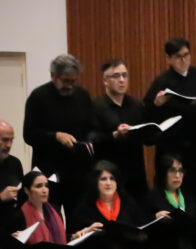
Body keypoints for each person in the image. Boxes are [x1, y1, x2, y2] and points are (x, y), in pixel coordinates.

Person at [143, 37, 196, 206]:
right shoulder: (161, 82)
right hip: (169, 146)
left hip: (193, 145)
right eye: (178, 56)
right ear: (169, 59)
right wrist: (157, 105)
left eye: (186, 55)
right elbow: (147, 115)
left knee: (192, 188)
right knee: (168, 191)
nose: (183, 60)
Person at [23, 54, 95, 212]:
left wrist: (90, 141)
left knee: (78, 221)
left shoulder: (82, 95)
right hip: (48, 172)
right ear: (53, 76)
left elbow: (90, 127)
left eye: (73, 81)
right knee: (51, 220)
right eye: (65, 81)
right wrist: (55, 136)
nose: (70, 86)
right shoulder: (38, 97)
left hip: (77, 172)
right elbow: (29, 134)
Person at [89, 59, 150, 201]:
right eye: (116, 76)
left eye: (125, 75)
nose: (122, 80)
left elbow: (147, 137)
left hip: (135, 173)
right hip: (108, 174)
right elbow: (90, 137)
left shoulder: (137, 105)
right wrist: (113, 135)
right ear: (105, 81)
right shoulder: (95, 106)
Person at [0, 119, 25, 209]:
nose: (9, 145)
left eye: (11, 140)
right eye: (5, 140)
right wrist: (1, 197)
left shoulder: (15, 163)